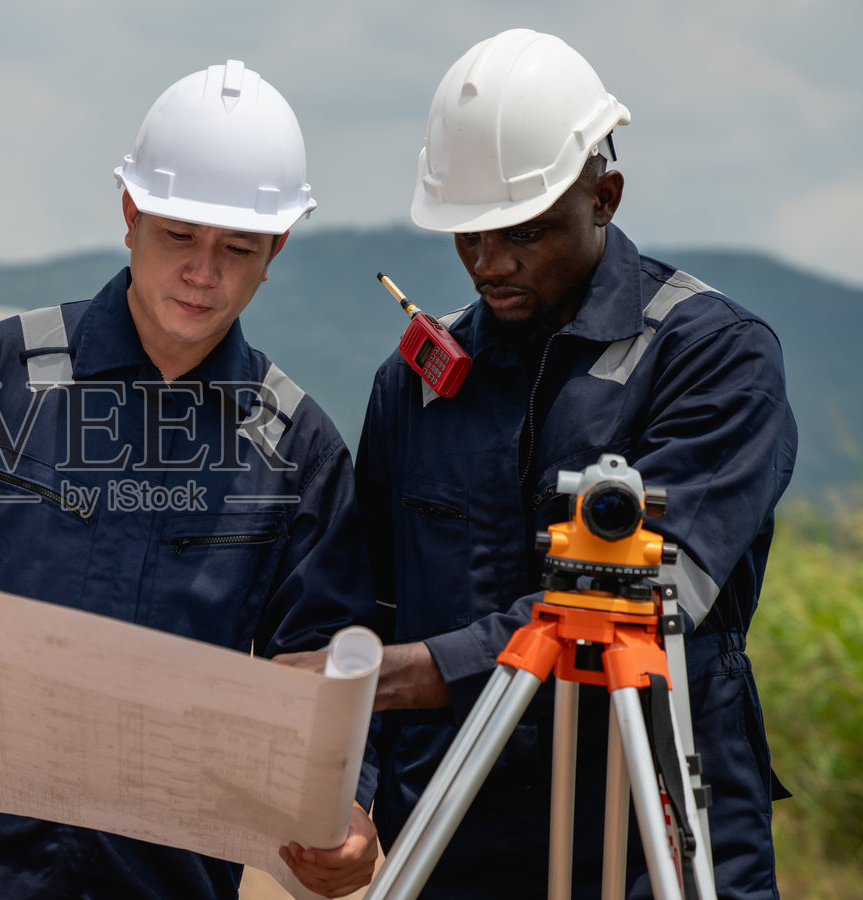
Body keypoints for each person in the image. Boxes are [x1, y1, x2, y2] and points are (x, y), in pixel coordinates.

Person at [0, 60, 380, 900]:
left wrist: (353, 813)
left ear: (275, 250)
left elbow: (325, 670)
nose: (203, 271)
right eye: (178, 236)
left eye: (237, 247)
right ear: (131, 216)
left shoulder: (296, 450)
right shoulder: (5, 375)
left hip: (163, 878)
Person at [279, 28, 797, 899]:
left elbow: (645, 593)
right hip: (451, 825)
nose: (492, 264)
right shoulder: (415, 384)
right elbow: (363, 605)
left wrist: (418, 674)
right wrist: (352, 796)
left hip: (651, 829)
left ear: (606, 196)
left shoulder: (716, 357)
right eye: (469, 236)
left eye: (526, 232)